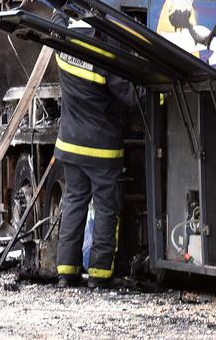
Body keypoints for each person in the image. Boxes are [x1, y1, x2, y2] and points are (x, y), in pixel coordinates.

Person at [53, 49, 139, 289]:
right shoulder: (103, 59)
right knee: (106, 208)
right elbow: (132, 96)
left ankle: (66, 272)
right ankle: (99, 274)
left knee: (73, 204)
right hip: (102, 148)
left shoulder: (63, 51)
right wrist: (161, 94)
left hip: (70, 144)